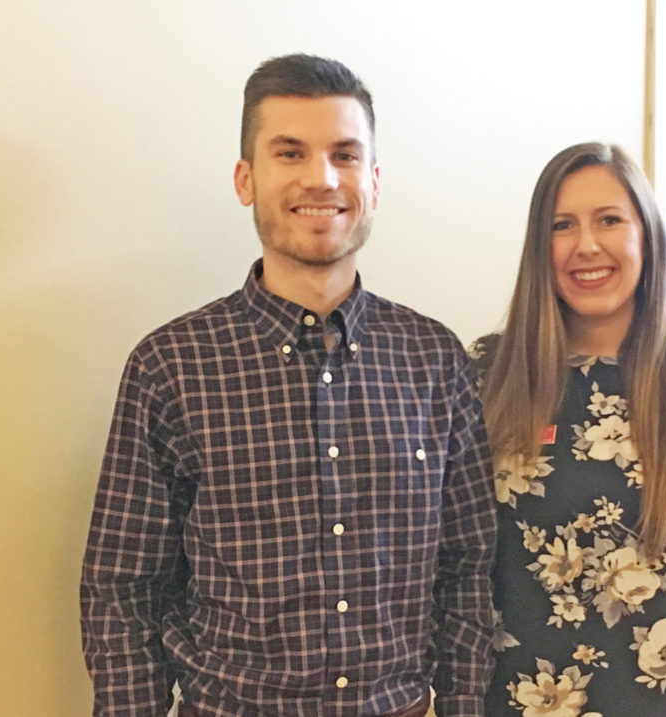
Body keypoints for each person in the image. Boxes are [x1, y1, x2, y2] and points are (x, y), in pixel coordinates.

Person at [80, 54, 497, 717]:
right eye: (290, 152)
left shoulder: (434, 359)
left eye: (345, 155)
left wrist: (465, 704)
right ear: (246, 179)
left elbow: (468, 566)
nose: (321, 178)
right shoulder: (171, 366)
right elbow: (123, 589)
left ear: (374, 181)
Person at [469, 142, 666, 716]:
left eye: (609, 220)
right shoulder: (487, 372)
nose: (586, 245)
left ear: (646, 236)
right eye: (562, 225)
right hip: (511, 701)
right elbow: (455, 564)